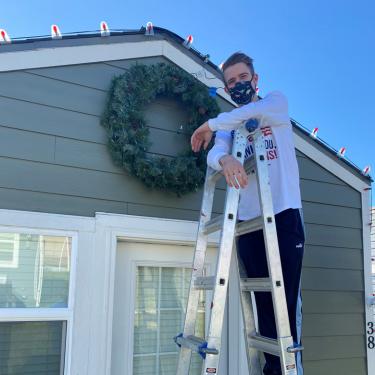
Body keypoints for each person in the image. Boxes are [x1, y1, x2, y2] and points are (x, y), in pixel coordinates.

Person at [191, 52, 305, 375]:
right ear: (226, 88)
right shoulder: (230, 125)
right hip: (248, 225)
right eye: (231, 82)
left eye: (243, 78)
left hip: (283, 217)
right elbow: (216, 150)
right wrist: (225, 160)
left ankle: (287, 369)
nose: (238, 85)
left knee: (286, 309)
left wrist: (209, 124)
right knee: (262, 306)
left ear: (255, 80)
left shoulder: (274, 104)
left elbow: (250, 112)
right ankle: (271, 370)